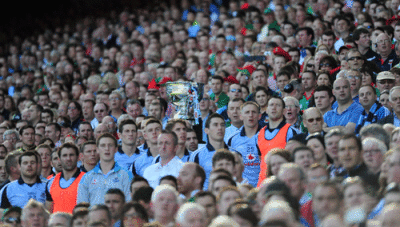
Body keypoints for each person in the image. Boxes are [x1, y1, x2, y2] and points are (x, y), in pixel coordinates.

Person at [77, 133, 132, 205]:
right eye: (103, 145)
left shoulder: (126, 175)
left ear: (116, 149)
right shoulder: (87, 177)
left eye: (110, 145)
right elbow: (82, 207)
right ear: (97, 150)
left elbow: (129, 203)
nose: (107, 149)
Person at [257, 96, 298, 186]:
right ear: (267, 110)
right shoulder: (260, 133)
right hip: (263, 183)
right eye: (271, 105)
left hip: (283, 182)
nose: (274, 108)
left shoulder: (291, 131)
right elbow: (260, 158)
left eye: (278, 105)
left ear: (284, 111)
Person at [190, 113, 228, 190]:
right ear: (206, 130)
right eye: (215, 125)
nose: (220, 128)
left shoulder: (235, 153)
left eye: (222, 125)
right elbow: (192, 182)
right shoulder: (197, 155)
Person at [228, 101, 261, 187]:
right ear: (241, 116)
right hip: (241, 187)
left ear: (259, 116)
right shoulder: (233, 139)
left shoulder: (267, 136)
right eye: (247, 112)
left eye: (254, 112)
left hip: (262, 185)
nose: (251, 115)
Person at [46, 143, 85, 214]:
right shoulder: (50, 182)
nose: (68, 159)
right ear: (59, 159)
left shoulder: (86, 179)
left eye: (71, 155)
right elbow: (48, 212)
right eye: (64, 155)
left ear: (78, 157)